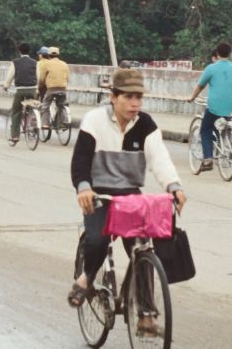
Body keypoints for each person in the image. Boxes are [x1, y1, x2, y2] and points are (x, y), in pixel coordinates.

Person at [68, 67, 188, 328]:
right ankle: (87, 278)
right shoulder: (94, 121)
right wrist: (84, 187)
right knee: (97, 239)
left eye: (139, 97)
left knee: (142, 250)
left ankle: (145, 314)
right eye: (128, 97)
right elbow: (80, 161)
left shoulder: (145, 124)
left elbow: (160, 159)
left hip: (129, 195)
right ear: (113, 96)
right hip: (98, 194)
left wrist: (173, 186)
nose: (135, 103)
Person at [187, 41, 232, 172]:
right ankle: (222, 143)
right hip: (231, 104)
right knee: (219, 124)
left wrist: (192, 97)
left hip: (215, 105)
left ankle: (208, 159)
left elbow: (200, 86)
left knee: (205, 129)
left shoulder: (211, 68)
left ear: (217, 53)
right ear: (229, 54)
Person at [1, 42, 39, 145]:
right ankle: (33, 127)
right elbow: (38, 77)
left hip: (20, 91)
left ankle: (15, 136)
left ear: (19, 51)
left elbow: (10, 77)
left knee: (16, 111)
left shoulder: (15, 62)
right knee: (33, 109)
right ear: (29, 51)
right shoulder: (35, 62)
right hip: (32, 90)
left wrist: (5, 86)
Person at [38, 46, 71, 130]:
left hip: (51, 89)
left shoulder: (47, 64)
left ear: (49, 55)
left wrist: (40, 86)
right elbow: (68, 78)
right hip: (63, 88)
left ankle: (45, 124)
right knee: (61, 105)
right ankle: (64, 122)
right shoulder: (64, 64)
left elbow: (42, 78)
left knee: (45, 105)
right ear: (58, 54)